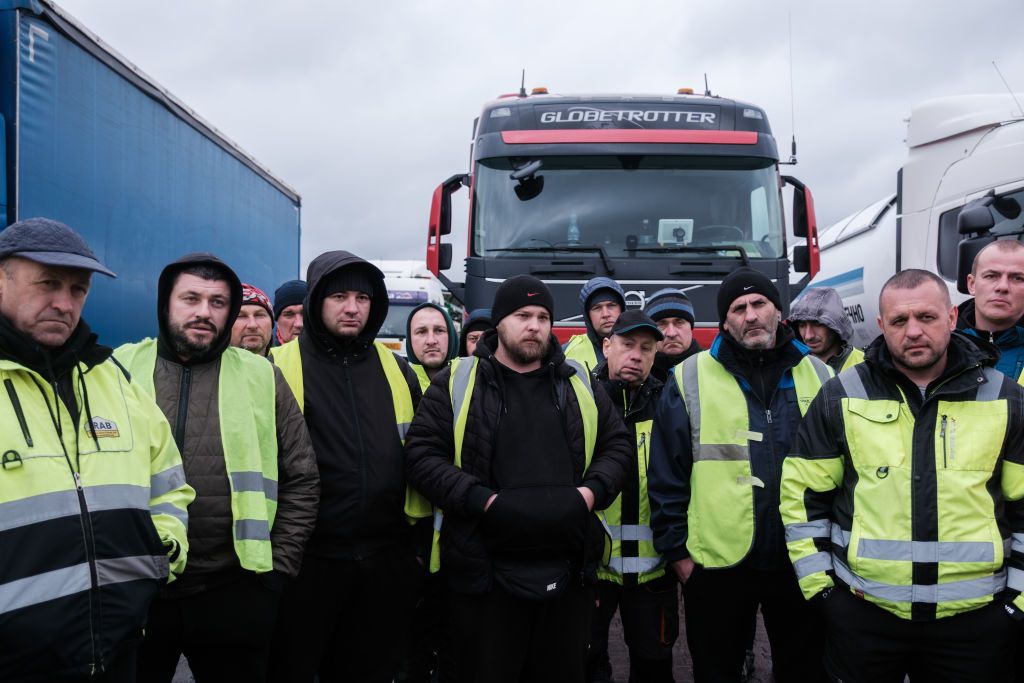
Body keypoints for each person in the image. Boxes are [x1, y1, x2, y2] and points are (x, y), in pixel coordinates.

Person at [780, 268, 1024, 681]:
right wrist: (823, 593)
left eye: (926, 318)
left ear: (951, 317)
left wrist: (1015, 605)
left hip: (975, 623)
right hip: (865, 617)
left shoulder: (1004, 397)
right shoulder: (841, 394)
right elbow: (802, 499)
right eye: (899, 320)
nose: (913, 331)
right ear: (881, 326)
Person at [405, 274, 633, 682]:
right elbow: (421, 456)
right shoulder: (457, 382)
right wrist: (482, 501)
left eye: (543, 316)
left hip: (568, 575)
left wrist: (588, 494)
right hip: (485, 579)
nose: (535, 325)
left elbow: (618, 447)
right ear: (499, 324)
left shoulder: (579, 382)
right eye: (523, 315)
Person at [0, 217, 193, 682]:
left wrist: (162, 551)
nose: (64, 303)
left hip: (117, 645)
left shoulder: (113, 379)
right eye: (47, 284)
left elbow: (168, 482)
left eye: (78, 290)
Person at [116, 254, 320, 683]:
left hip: (234, 590)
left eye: (217, 302)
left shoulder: (261, 375)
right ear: (165, 304)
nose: (204, 312)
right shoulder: (119, 368)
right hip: (138, 589)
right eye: (190, 298)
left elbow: (302, 477)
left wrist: (276, 575)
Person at [648, 267, 831, 683]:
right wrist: (678, 555)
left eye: (759, 304)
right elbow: (666, 475)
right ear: (725, 322)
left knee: (805, 670)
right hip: (717, 567)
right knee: (717, 672)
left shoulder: (820, 376)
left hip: (801, 559)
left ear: (778, 311)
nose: (750, 315)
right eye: (738, 308)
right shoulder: (689, 378)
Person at [269, 251, 428, 682]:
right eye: (339, 296)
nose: (353, 307)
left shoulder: (398, 370)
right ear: (317, 300)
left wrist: (411, 553)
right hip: (308, 562)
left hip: (385, 560)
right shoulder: (274, 367)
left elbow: (421, 455)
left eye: (362, 296)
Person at [586, 311, 678, 683]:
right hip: (591, 574)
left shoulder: (671, 405)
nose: (636, 355)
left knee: (654, 667)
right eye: (627, 345)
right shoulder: (581, 401)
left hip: (653, 576)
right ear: (607, 346)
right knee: (586, 663)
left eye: (646, 348)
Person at [957, 239, 1024, 380]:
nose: (1003, 287)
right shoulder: (941, 347)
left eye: (1017, 278)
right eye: (991, 276)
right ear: (972, 284)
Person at [788, 286, 864, 372]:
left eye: (817, 324)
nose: (808, 336)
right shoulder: (791, 369)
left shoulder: (867, 367)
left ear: (836, 325)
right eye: (802, 325)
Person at [564, 276, 625, 372]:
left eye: (611, 305)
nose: (605, 314)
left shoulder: (641, 348)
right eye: (597, 308)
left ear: (622, 309)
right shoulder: (567, 352)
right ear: (587, 316)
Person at [643, 288, 702, 383]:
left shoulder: (713, 368)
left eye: (679, 322)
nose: (671, 333)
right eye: (662, 324)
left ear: (691, 327)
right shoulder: (639, 372)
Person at [406, 302, 459, 390]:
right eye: (421, 332)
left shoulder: (472, 382)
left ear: (452, 337)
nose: (431, 341)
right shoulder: (396, 384)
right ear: (410, 340)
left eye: (439, 330)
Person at [231, 282, 275, 356]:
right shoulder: (211, 366)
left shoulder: (283, 363)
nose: (252, 325)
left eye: (260, 315)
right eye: (241, 316)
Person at [273, 279, 307, 345]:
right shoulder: (263, 354)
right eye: (289, 315)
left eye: (305, 313)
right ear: (277, 322)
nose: (299, 324)